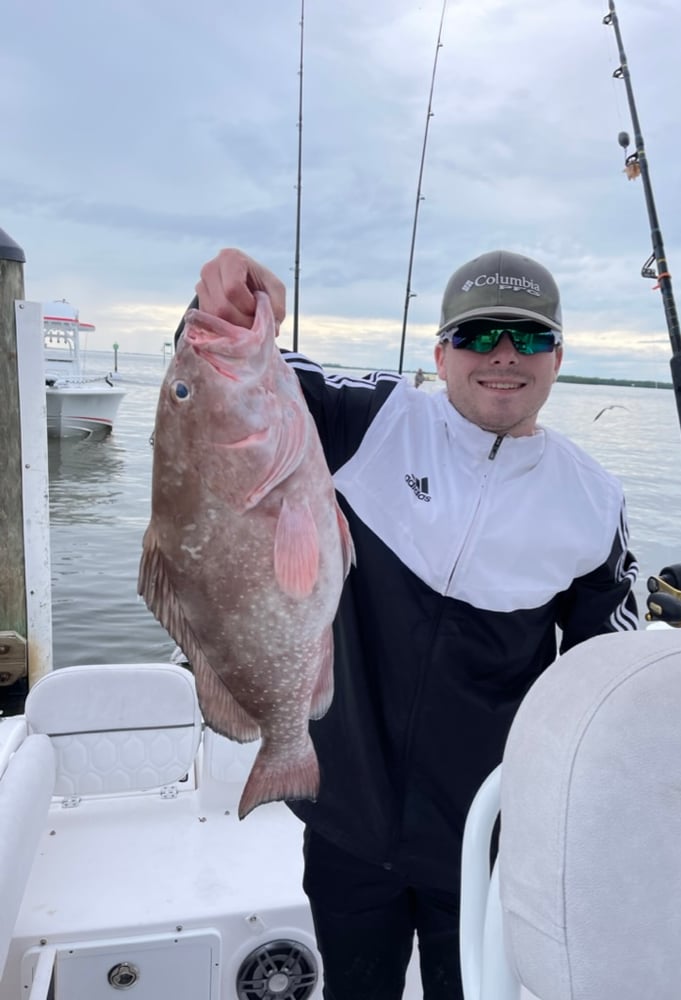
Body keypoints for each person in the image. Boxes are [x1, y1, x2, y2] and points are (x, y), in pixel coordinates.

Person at [195, 247, 639, 1000]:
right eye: (478, 336)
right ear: (440, 352)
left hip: (483, 840)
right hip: (343, 816)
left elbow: (606, 670)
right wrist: (222, 307)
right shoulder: (371, 418)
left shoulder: (594, 500)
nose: (504, 356)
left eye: (529, 339)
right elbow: (231, 378)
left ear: (559, 358)